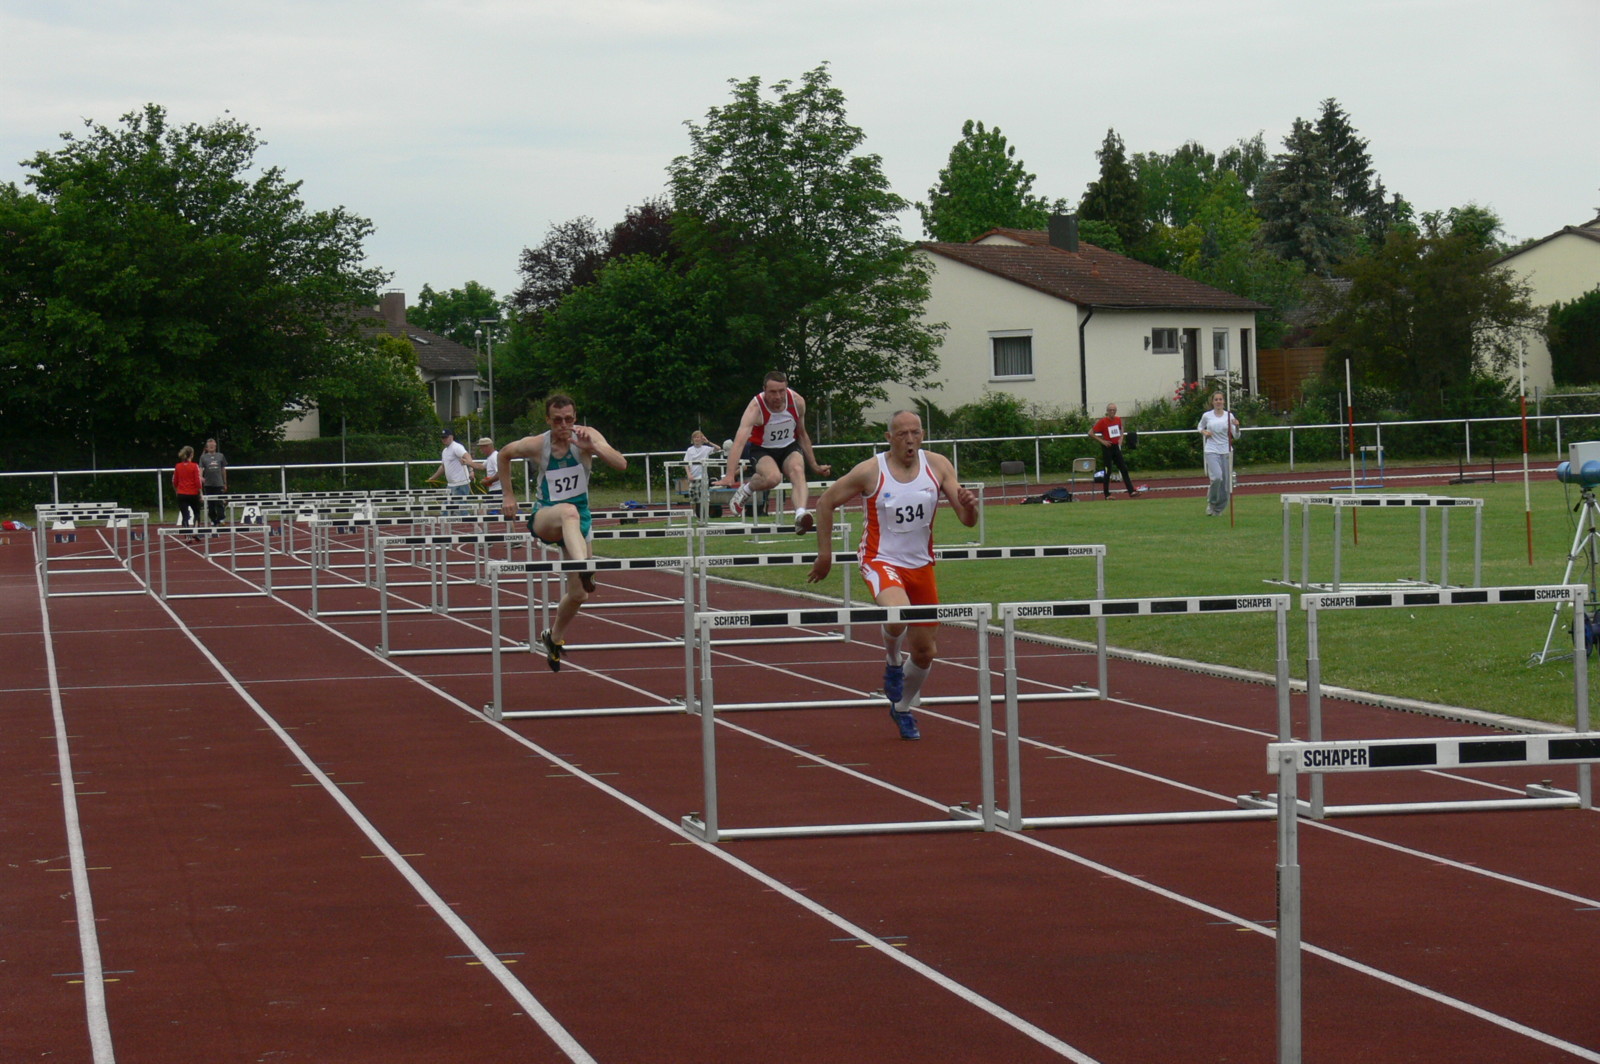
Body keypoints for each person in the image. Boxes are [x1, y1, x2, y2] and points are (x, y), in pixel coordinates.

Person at [806, 410, 979, 740]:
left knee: (926, 652)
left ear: (923, 435)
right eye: (902, 434)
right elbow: (825, 502)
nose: (910, 440)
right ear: (889, 438)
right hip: (880, 559)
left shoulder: (938, 465)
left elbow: (967, 520)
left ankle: (901, 708)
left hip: (921, 565)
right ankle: (892, 659)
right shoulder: (871, 471)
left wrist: (970, 506)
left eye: (916, 433)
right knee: (897, 613)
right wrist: (825, 554)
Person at [496, 395, 628, 672]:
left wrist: (593, 448)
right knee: (567, 511)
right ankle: (584, 566)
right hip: (547, 516)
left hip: (579, 522)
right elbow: (504, 454)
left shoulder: (588, 436)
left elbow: (621, 464)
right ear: (548, 420)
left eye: (568, 419)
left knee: (579, 595)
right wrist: (508, 495)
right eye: (557, 420)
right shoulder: (537, 444)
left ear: (575, 417)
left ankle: (553, 637)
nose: (564, 425)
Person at [717, 371, 832, 533]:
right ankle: (747, 489)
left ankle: (800, 515)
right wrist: (730, 474)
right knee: (773, 478)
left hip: (788, 447)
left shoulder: (797, 402)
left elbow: (802, 434)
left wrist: (814, 465)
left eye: (781, 391)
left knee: (798, 470)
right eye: (772, 392)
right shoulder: (756, 407)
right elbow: (739, 442)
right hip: (762, 449)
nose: (778, 396)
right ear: (764, 390)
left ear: (787, 388)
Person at [1198, 391, 1240, 516]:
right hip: (1211, 450)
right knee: (1217, 477)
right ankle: (1211, 503)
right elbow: (1200, 427)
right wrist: (1204, 432)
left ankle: (1218, 509)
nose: (1218, 402)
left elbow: (1236, 436)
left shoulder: (1229, 416)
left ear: (1224, 401)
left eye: (1220, 399)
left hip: (1226, 450)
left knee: (1225, 483)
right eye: (1216, 399)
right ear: (1212, 402)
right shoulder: (1207, 416)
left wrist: (1237, 426)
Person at [1088, 402, 1140, 499]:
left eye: (1114, 410)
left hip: (1115, 447)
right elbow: (1090, 433)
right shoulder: (1102, 421)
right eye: (1110, 410)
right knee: (1108, 470)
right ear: (1107, 411)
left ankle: (1131, 491)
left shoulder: (1118, 419)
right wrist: (1102, 441)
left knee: (1123, 468)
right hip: (1107, 447)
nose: (1112, 412)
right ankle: (1107, 494)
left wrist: (1121, 438)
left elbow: (1121, 428)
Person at [427, 427, 477, 497]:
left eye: (446, 437)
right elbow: (443, 467)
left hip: (461, 484)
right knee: (447, 503)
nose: (444, 439)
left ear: (451, 437)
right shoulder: (444, 451)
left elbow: (468, 456)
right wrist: (433, 478)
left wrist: (471, 471)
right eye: (442, 438)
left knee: (459, 504)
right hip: (451, 485)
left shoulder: (457, 447)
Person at [683, 430, 720, 507]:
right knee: (693, 498)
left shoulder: (706, 448)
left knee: (705, 497)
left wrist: (708, 442)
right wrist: (689, 474)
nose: (696, 439)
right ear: (692, 439)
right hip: (693, 477)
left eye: (698, 437)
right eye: (695, 437)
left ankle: (705, 513)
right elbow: (686, 463)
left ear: (702, 439)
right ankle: (694, 513)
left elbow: (718, 448)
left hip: (703, 477)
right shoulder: (690, 450)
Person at [197, 437, 228, 525]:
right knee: (210, 503)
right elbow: (200, 468)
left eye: (213, 446)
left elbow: (223, 469)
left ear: (215, 446)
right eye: (209, 446)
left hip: (219, 483)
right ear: (207, 447)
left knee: (219, 502)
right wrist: (200, 477)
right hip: (208, 483)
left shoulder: (220, 456)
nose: (211, 447)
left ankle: (221, 518)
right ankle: (213, 519)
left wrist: (225, 482)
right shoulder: (203, 457)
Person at [172, 445, 204, 531]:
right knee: (196, 512)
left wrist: (176, 491)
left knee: (185, 515)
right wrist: (201, 493)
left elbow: (174, 481)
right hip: (193, 493)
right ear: (191, 455)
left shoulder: (178, 466)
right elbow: (198, 481)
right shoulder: (194, 466)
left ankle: (186, 533)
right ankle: (196, 530)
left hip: (181, 494)